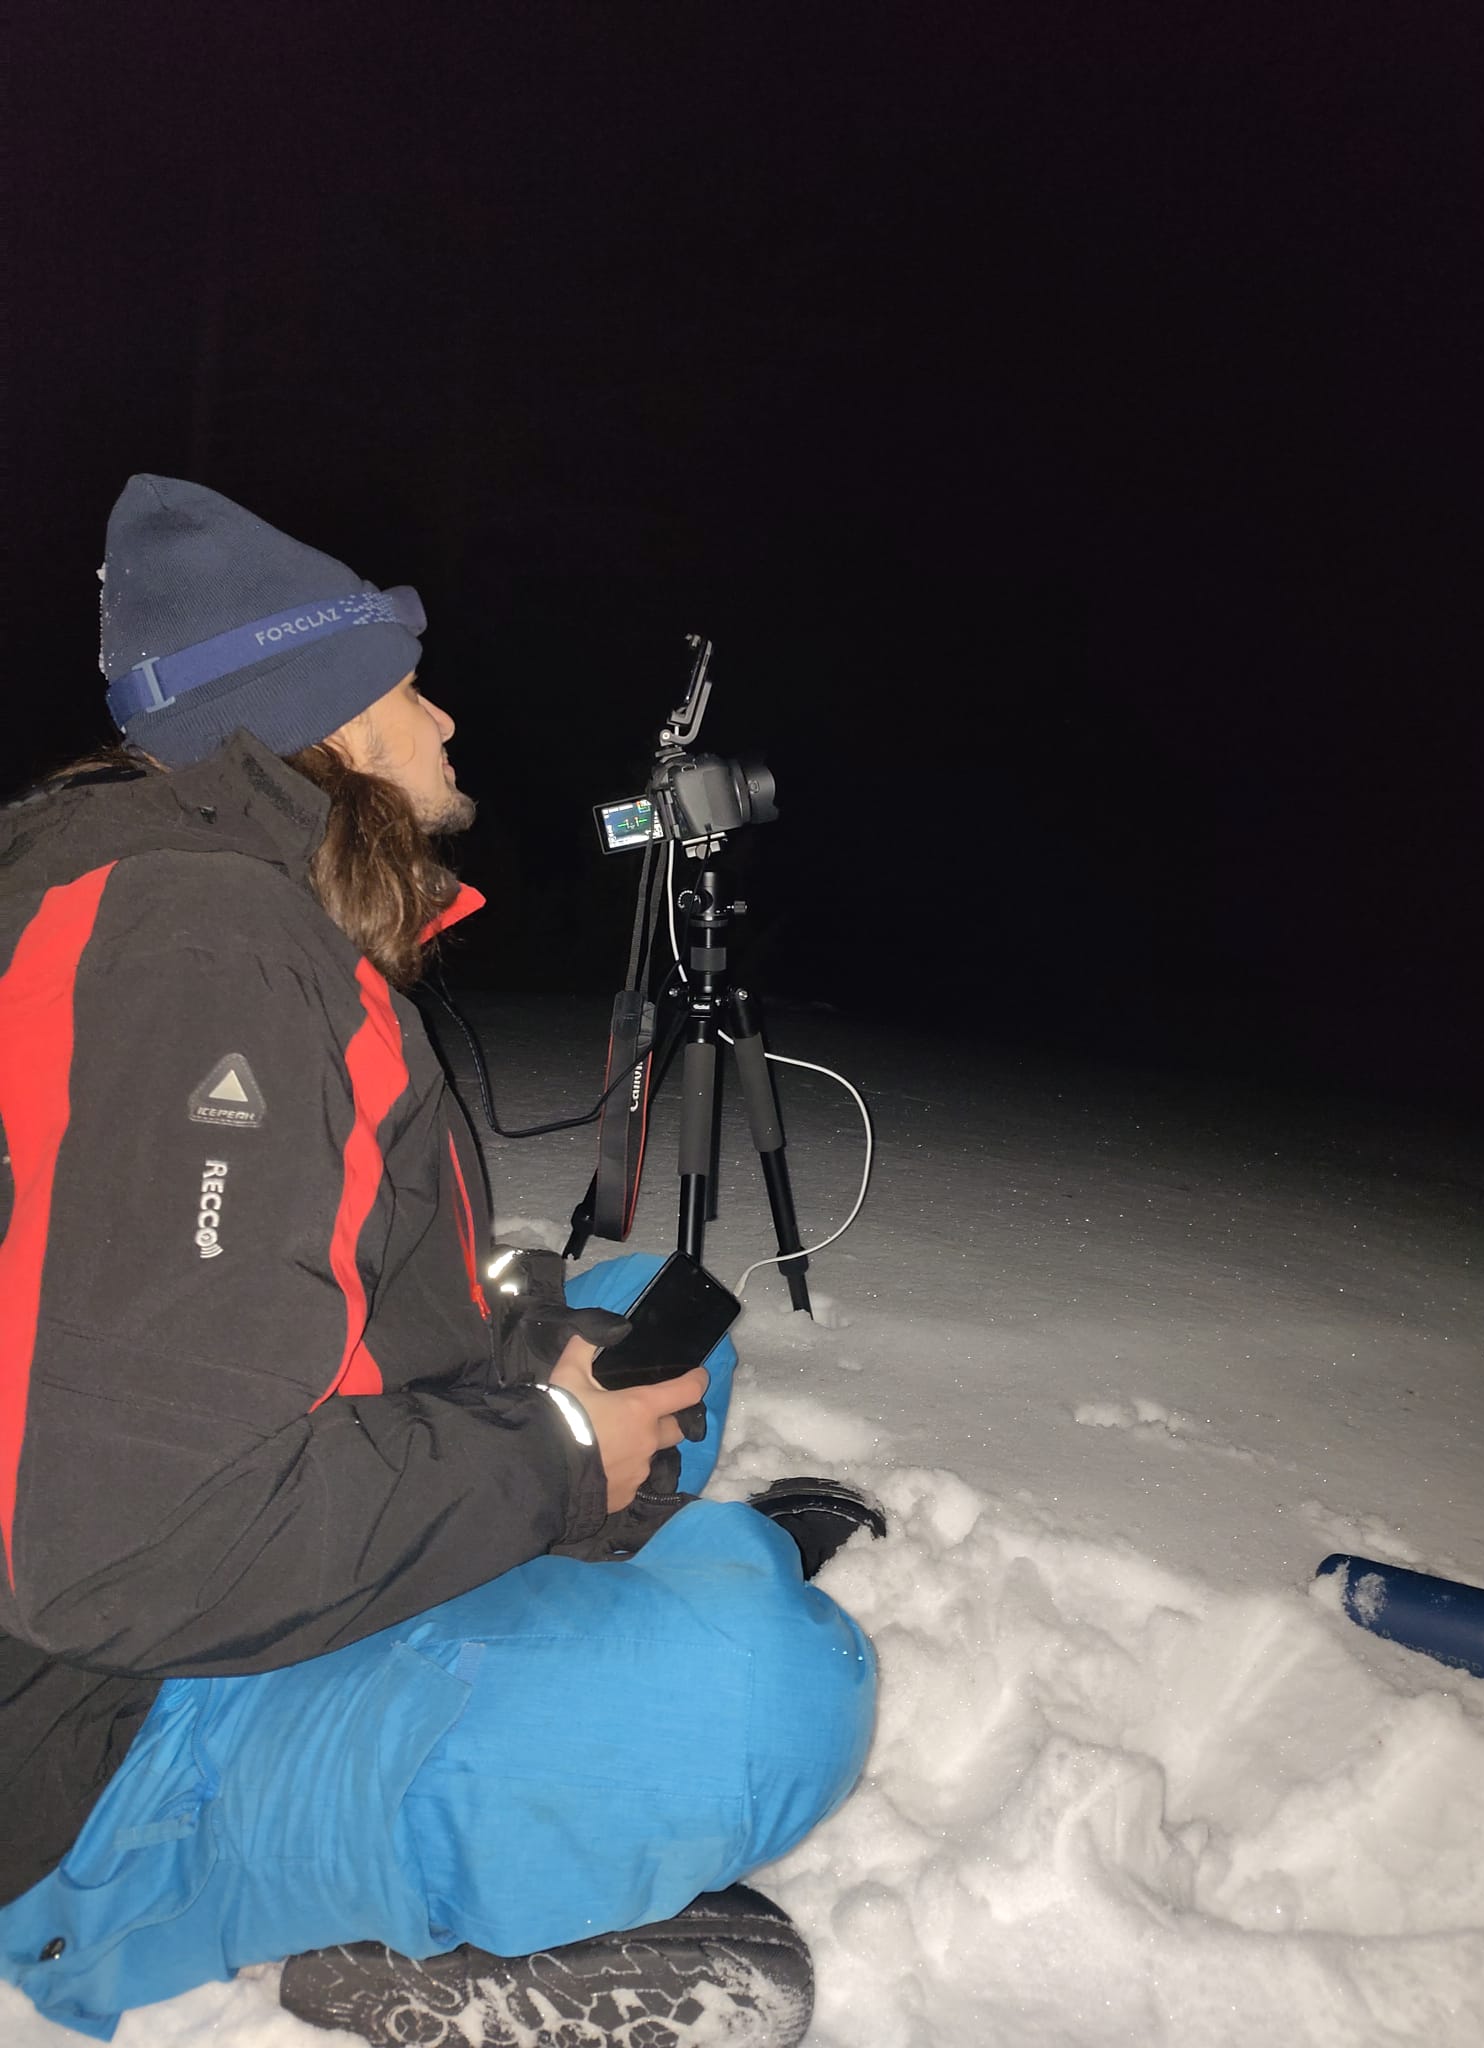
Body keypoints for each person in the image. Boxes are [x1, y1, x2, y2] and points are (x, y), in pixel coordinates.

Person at [0, 476, 878, 2046]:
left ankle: (569, 1586)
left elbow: (292, 1299)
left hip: (166, 1576)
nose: (446, 716)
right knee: (776, 1690)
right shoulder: (206, 957)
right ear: (330, 719)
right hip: (87, 1752)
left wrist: (537, 1374)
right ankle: (220, 1904)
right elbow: (128, 1551)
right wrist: (552, 1451)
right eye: (410, 686)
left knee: (638, 1323)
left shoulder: (211, 907)